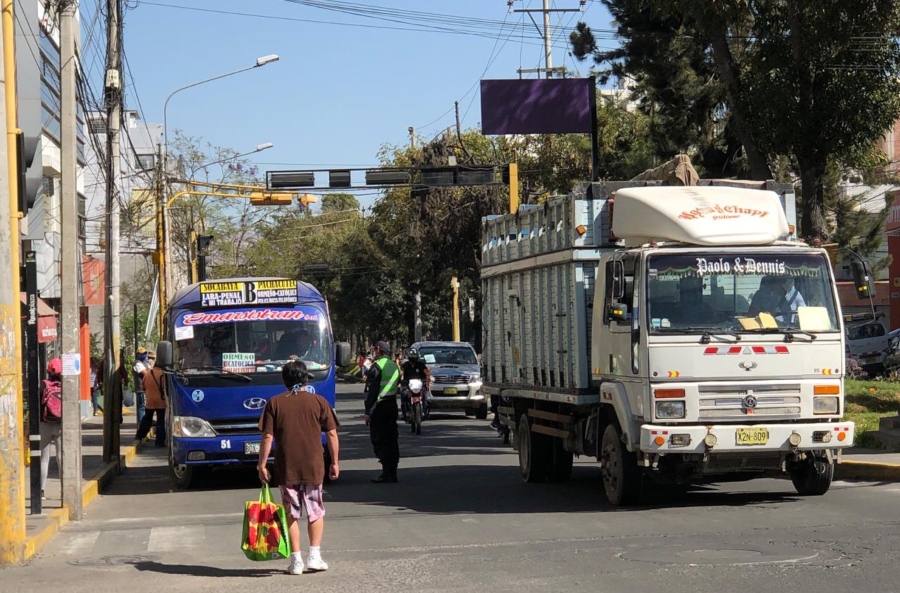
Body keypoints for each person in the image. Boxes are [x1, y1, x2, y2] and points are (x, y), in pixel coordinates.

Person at [258, 360, 340, 576]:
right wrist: (335, 462)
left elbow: (267, 436)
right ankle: (314, 556)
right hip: (313, 467)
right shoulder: (319, 402)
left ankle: (296, 561)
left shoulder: (274, 403)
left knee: (291, 513)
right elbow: (331, 434)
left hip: (286, 468)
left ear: (284, 381)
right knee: (315, 511)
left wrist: (262, 464)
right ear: (306, 379)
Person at [364, 340, 401, 483]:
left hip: (379, 408)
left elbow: (372, 392)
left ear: (378, 349)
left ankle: (386, 472)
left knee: (380, 439)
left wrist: (367, 412)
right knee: (392, 438)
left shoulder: (377, 366)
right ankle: (393, 472)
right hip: (392, 405)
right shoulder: (395, 366)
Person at [39, 358, 63, 500]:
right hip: (60, 424)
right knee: (61, 458)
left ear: (48, 370)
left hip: (44, 424)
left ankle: (41, 491)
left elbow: (37, 406)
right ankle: (63, 490)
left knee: (44, 459)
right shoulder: (66, 385)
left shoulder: (43, 384)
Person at [135, 355, 167, 447]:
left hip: (150, 401)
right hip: (162, 401)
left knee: (147, 419)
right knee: (161, 421)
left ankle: (140, 436)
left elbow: (144, 386)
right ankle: (159, 441)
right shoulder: (164, 374)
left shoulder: (148, 373)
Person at [400, 347, 430, 422]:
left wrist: (428, 377)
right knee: (404, 394)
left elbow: (427, 372)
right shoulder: (405, 365)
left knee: (426, 397)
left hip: (420, 385)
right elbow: (401, 373)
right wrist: (400, 377)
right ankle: (406, 411)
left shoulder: (421, 365)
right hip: (408, 385)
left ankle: (424, 411)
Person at [132, 347, 152, 423]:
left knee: (146, 407)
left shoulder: (145, 363)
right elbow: (146, 374)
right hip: (141, 389)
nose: (144, 355)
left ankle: (145, 424)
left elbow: (151, 371)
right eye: (142, 353)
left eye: (145, 353)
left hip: (146, 388)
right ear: (138, 354)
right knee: (142, 407)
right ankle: (141, 425)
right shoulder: (137, 363)